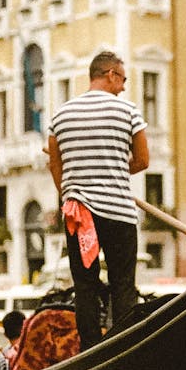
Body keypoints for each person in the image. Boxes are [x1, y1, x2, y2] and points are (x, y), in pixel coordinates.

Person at [46, 50, 149, 348]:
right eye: (123, 79)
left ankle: (90, 349)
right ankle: (123, 345)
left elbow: (55, 164)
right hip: (118, 212)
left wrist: (68, 192)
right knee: (123, 285)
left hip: (79, 214)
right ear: (110, 75)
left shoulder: (60, 115)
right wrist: (115, 167)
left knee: (85, 286)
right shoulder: (128, 111)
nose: (124, 87)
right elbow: (142, 160)